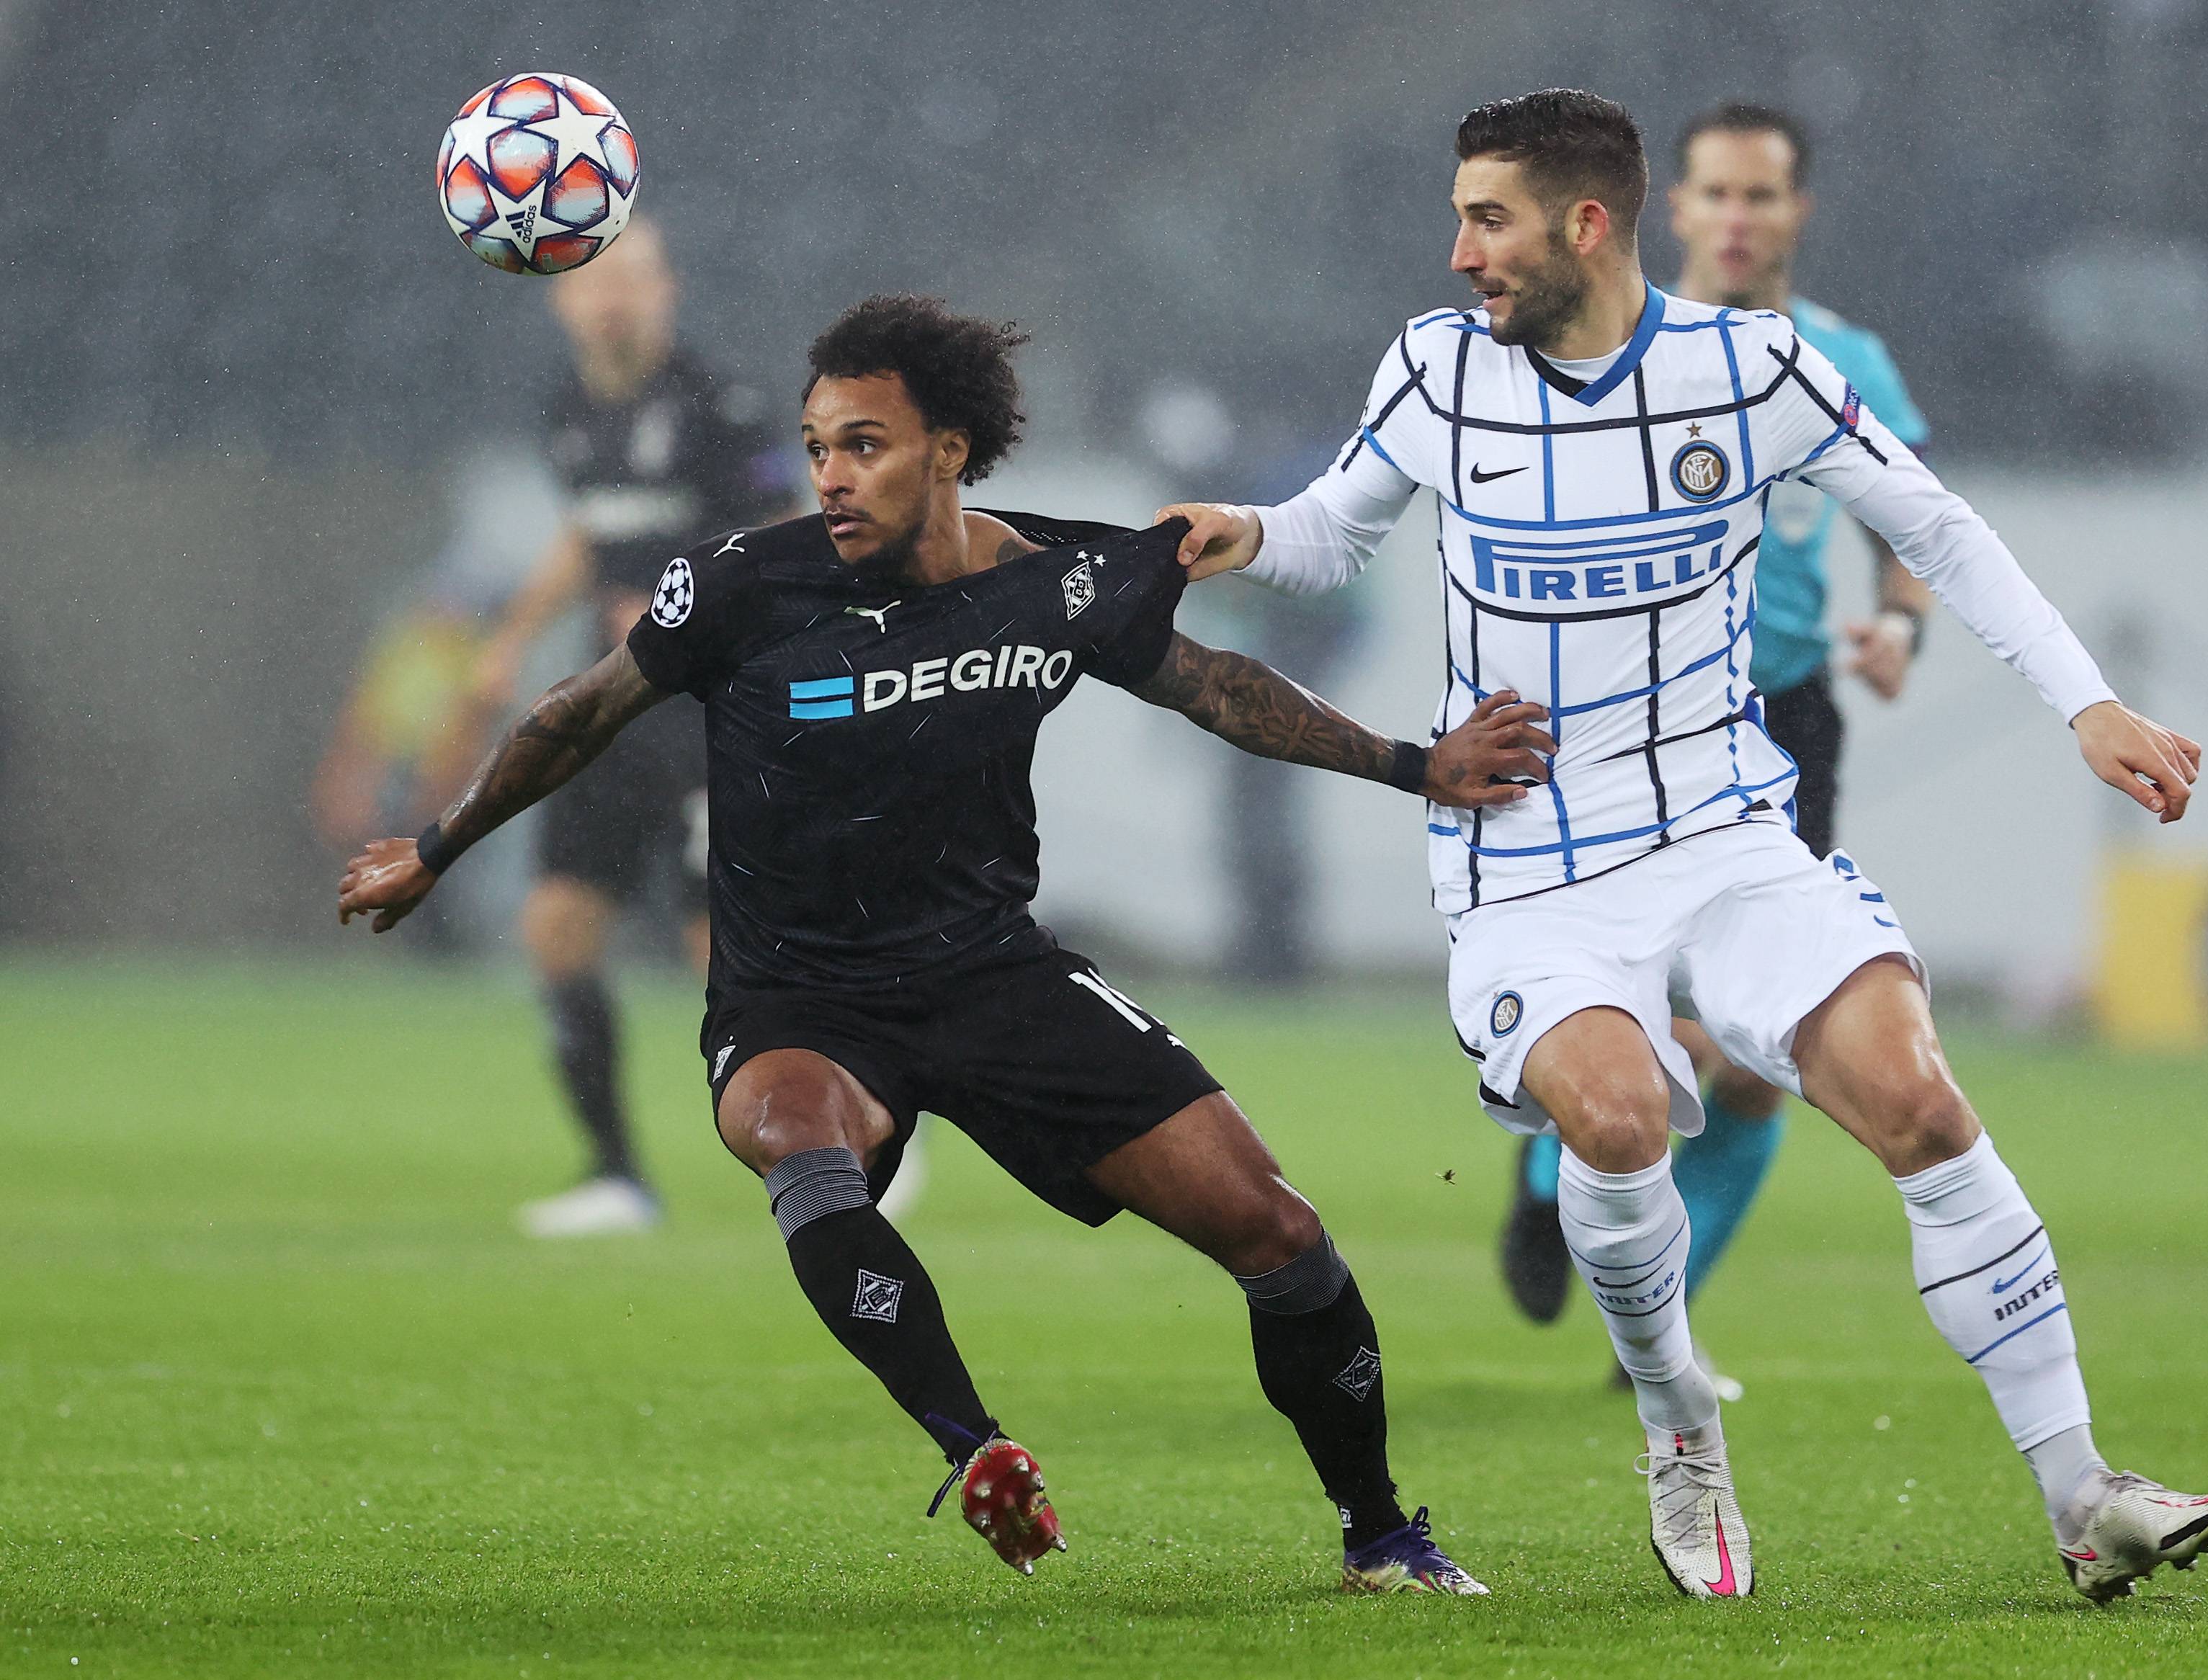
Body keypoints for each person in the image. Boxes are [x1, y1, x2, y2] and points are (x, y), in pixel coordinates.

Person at [1158, 90, 2208, 1603]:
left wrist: (2087, 701)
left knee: (1920, 1101)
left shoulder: (1748, 369)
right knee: (1613, 1122)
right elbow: (1335, 528)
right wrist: (1243, 530)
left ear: (1583, 224)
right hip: (1528, 858)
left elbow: (1934, 527)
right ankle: (1677, 1419)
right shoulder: (1438, 366)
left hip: (1725, 832)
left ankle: (2085, 1491)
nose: (1461, 250)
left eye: (1487, 219)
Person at [342, 295, 1547, 1591]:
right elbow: (581, 711)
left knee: (1278, 1232)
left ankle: (1381, 1536)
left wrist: (1416, 765)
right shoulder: (743, 584)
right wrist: (437, 846)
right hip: (797, 994)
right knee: (799, 1139)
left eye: (864, 445)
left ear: (951, 450)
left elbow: (1219, 691)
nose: (830, 476)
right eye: (818, 447)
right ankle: (977, 1450)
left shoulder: (1057, 580)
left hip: (992, 974)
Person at [1495, 104, 1939, 1399]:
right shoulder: (1610, 342)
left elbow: (1910, 525)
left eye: (1762, 195)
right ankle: (1546, 1176)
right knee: (1637, 1014)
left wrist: (1900, 627)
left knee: (1754, 1062)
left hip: (1786, 722)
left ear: (1797, 211)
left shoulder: (1845, 359)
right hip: (1630, 722)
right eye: (1716, 194)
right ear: (1673, 208)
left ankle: (1655, 1336)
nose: (1738, 218)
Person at [432, 217, 802, 1237]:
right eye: (598, 281)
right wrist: (510, 641)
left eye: (635, 277)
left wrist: (695, 607)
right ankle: (616, 1176)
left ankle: (853, 1128)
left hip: (711, 705)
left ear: (668, 290)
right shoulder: (568, 408)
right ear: (561, 297)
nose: (615, 298)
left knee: (718, 946)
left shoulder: (719, 404)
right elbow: (588, 532)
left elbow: (785, 538)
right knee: (556, 923)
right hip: (612, 704)